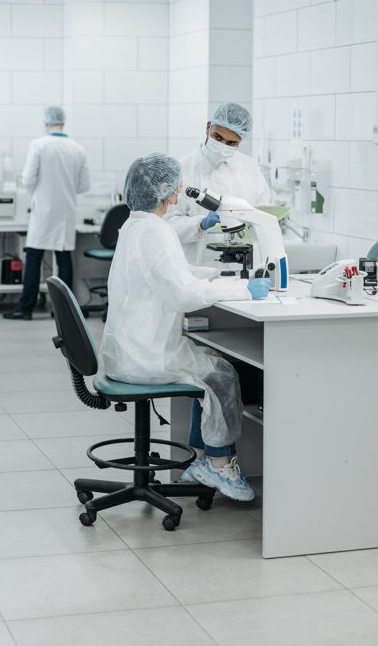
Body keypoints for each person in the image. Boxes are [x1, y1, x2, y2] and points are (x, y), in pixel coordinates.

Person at [100, 153, 271, 502]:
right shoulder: (155, 232)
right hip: (147, 358)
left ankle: (205, 455)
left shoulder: (135, 224)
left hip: (128, 348)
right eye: (177, 182)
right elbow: (184, 294)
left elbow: (175, 273)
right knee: (222, 373)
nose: (181, 186)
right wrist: (243, 289)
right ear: (168, 190)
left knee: (208, 362)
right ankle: (219, 463)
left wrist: (216, 275)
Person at [3, 105, 90, 320]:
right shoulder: (77, 149)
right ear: (63, 121)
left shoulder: (39, 145)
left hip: (42, 211)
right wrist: (66, 192)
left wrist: (40, 195)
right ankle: (65, 313)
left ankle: (25, 309)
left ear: (45, 122)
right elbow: (84, 185)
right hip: (66, 212)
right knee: (64, 261)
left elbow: (28, 179)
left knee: (33, 260)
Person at [168, 102, 272, 266]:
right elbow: (167, 225)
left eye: (231, 143)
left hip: (243, 268)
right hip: (197, 270)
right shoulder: (182, 169)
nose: (222, 147)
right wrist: (200, 224)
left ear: (240, 141)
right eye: (218, 137)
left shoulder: (250, 168)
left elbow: (265, 214)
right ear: (208, 127)